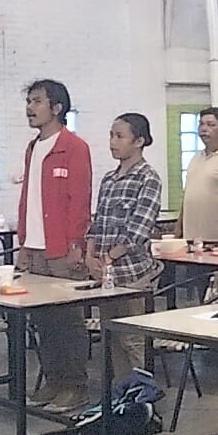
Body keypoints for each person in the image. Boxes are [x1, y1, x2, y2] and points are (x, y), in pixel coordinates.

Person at [16, 80, 93, 413]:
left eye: (37, 101)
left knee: (68, 321)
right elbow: (27, 199)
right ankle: (53, 381)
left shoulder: (74, 147)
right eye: (29, 102)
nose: (30, 108)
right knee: (43, 321)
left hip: (61, 249)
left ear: (57, 107)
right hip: (34, 249)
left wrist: (77, 244)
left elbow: (80, 200)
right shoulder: (33, 148)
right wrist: (23, 243)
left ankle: (75, 386)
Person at [86, 113, 165, 382]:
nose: (113, 142)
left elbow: (138, 230)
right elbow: (98, 221)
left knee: (133, 339)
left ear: (139, 141)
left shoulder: (148, 178)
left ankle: (142, 396)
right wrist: (90, 256)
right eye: (111, 135)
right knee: (111, 338)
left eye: (120, 136)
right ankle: (120, 394)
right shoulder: (109, 179)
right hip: (106, 275)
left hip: (133, 275)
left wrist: (108, 258)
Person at [177, 106, 218, 246]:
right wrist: (179, 227)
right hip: (191, 236)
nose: (204, 129)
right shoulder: (196, 158)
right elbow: (187, 195)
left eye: (210, 125)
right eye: (201, 124)